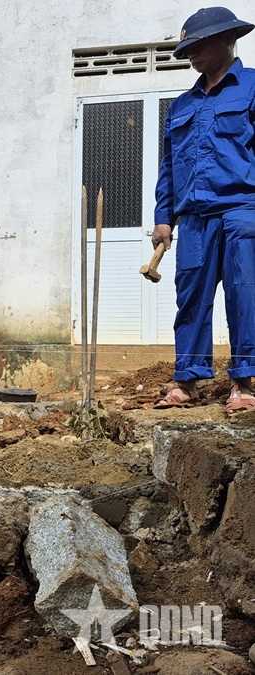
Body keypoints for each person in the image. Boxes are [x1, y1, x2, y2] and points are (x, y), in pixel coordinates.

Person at [153, 7, 255, 413]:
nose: (190, 54)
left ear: (226, 40)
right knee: (191, 297)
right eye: (187, 48)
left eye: (197, 45)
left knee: (244, 294)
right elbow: (168, 166)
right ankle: (187, 380)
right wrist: (164, 217)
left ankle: (245, 382)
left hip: (242, 211)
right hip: (194, 218)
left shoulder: (251, 87)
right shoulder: (181, 105)